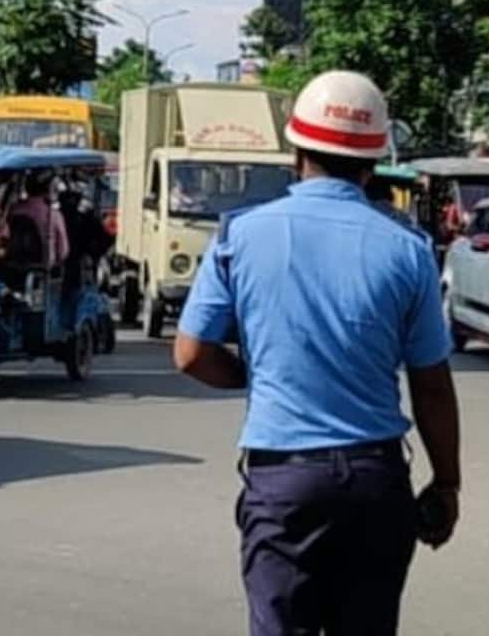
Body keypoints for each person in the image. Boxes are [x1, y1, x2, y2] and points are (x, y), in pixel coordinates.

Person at [173, 70, 462, 636]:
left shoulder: (240, 235)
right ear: (373, 161)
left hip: (284, 483)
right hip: (375, 481)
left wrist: (254, 376)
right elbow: (432, 383)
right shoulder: (409, 250)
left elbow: (190, 354)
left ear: (296, 150)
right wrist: (447, 483)